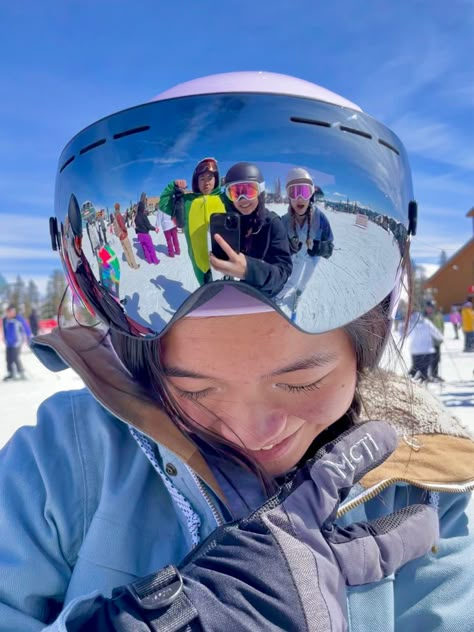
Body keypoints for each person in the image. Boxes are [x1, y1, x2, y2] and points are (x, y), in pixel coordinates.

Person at [1, 72, 473, 631]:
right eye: (194, 388)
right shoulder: (67, 460)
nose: (254, 432)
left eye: (300, 382)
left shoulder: (427, 484)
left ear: (364, 348)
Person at [211, 162, 293, 297]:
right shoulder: (234, 224)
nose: (242, 199)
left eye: (249, 191)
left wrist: (249, 269)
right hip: (244, 289)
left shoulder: (273, 224)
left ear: (260, 192)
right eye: (235, 193)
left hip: (267, 294)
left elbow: (283, 272)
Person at [159, 158, 226, 284]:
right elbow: (163, 203)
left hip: (225, 260)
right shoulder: (187, 201)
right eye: (202, 179)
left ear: (216, 179)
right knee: (206, 294)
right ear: (196, 181)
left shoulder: (224, 198)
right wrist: (173, 186)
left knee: (227, 294)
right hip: (199, 263)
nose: (206, 183)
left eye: (210, 178)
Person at [278, 167, 334, 313]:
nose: (300, 198)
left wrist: (319, 247)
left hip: (312, 258)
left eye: (304, 192)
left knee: (304, 281)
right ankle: (278, 298)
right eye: (294, 192)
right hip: (296, 257)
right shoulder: (284, 221)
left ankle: (298, 295)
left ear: (311, 194)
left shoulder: (319, 218)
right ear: (288, 196)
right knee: (292, 280)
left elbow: (329, 243)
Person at [401, 311, 444, 382]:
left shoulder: (411, 324)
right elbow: (435, 331)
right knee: (424, 367)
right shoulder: (426, 323)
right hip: (427, 350)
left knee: (415, 366)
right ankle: (422, 379)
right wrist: (441, 337)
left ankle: (409, 378)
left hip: (415, 351)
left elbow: (404, 333)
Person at [2, 304, 30, 380]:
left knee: (15, 357)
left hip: (17, 342)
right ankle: (10, 373)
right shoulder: (5, 320)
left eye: (13, 311)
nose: (11, 313)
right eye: (9, 312)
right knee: (8, 358)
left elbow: (26, 328)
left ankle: (21, 373)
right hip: (8, 343)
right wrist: (4, 338)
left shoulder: (19, 319)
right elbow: (4, 330)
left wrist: (28, 336)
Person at [112, 203, 140, 269]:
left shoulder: (115, 216)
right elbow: (122, 225)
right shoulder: (119, 215)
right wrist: (125, 231)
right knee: (129, 250)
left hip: (120, 236)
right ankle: (135, 265)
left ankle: (130, 264)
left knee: (125, 251)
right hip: (123, 235)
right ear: (119, 207)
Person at [134, 192, 160, 264]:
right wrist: (155, 229)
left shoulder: (136, 216)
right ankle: (155, 260)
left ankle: (149, 260)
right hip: (145, 235)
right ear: (142, 208)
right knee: (151, 248)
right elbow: (148, 225)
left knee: (145, 248)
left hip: (139, 235)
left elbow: (136, 225)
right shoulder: (143, 215)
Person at [427, 306, 445, 382]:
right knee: (430, 359)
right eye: (428, 309)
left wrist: (441, 336)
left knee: (436, 359)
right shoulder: (427, 318)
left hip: (436, 342)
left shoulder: (437, 316)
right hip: (430, 343)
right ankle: (429, 375)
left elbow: (442, 327)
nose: (429, 310)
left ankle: (435, 374)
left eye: (430, 308)